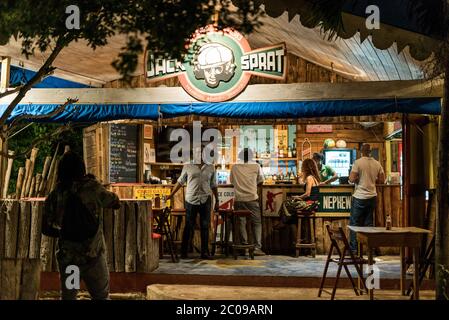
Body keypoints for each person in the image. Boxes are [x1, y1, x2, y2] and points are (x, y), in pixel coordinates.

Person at [44, 151, 120, 300]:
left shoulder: (56, 194)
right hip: (94, 256)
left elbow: (46, 228)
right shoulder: (93, 188)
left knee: (69, 297)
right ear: (82, 168)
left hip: (69, 259)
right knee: (101, 296)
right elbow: (115, 202)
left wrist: (64, 232)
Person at [167, 149, 219, 259]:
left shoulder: (211, 167)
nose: (199, 155)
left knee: (205, 226)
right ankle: (184, 252)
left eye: (201, 153)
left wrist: (217, 200)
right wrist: (171, 195)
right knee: (189, 226)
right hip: (191, 200)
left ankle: (204, 253)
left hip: (205, 199)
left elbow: (213, 185)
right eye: (197, 153)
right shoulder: (187, 166)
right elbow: (180, 182)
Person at [348, 144, 385, 252]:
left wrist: (358, 178)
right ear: (370, 151)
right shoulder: (377, 163)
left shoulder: (358, 162)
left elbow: (351, 178)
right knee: (369, 224)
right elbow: (382, 180)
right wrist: (371, 179)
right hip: (372, 197)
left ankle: (354, 250)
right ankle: (371, 250)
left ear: (361, 151)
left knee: (354, 223)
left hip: (359, 196)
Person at [230, 148, 265, 256]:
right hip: (252, 198)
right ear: (251, 156)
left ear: (240, 157)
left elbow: (231, 182)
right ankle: (257, 248)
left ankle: (245, 247)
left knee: (241, 223)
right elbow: (261, 181)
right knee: (256, 223)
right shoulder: (256, 166)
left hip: (239, 199)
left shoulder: (234, 167)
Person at [275, 158, 320, 229]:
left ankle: (284, 222)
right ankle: (287, 221)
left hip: (310, 204)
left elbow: (307, 194)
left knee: (286, 203)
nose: (302, 168)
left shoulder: (309, 178)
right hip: (313, 203)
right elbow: (305, 186)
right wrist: (300, 177)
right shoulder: (313, 177)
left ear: (306, 167)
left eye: (303, 166)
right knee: (290, 206)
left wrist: (298, 197)